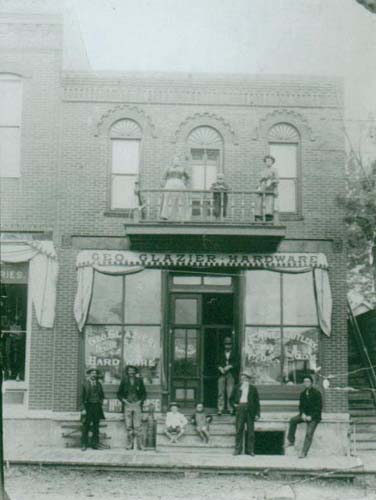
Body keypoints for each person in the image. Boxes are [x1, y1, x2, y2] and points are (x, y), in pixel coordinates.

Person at [287, 375, 322, 458]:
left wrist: (311, 416)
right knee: (293, 420)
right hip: (305, 415)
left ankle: (303, 453)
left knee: (309, 434)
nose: (306, 383)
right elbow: (301, 406)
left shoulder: (317, 393)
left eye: (308, 381)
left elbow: (319, 408)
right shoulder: (303, 394)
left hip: (314, 417)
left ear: (311, 382)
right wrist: (302, 414)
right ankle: (291, 440)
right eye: (305, 381)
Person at [230, 371, 260, 456]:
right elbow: (231, 399)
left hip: (250, 410)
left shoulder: (253, 389)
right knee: (239, 429)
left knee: (251, 431)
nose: (244, 379)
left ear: (249, 379)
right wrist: (235, 406)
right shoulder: (237, 387)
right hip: (240, 409)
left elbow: (257, 402)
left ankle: (250, 450)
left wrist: (257, 414)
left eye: (246, 378)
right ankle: (237, 449)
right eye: (242, 378)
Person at [117, 365, 147, 450]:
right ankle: (130, 444)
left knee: (138, 426)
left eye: (133, 371)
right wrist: (124, 401)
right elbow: (119, 393)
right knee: (128, 426)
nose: (131, 372)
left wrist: (140, 401)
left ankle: (140, 445)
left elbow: (144, 393)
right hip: (127, 405)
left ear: (135, 372)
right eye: (129, 371)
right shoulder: (124, 380)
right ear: (127, 371)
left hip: (137, 405)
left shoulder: (139, 380)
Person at [160, 153, 190, 221]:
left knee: (180, 200)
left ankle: (181, 216)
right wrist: (163, 185)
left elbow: (188, 177)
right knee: (168, 200)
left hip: (180, 185)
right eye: (175, 160)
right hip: (170, 184)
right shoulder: (168, 168)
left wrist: (185, 184)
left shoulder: (182, 168)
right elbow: (163, 177)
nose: (176, 161)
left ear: (179, 161)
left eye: (178, 160)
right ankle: (166, 215)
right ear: (172, 161)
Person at [80, 368, 105, 451]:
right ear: (89, 374)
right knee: (85, 426)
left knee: (96, 427)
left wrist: (100, 402)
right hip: (88, 407)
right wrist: (83, 409)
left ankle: (95, 444)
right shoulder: (84, 384)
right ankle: (84, 444)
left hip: (97, 407)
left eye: (95, 373)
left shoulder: (99, 384)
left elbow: (102, 395)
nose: (94, 375)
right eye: (92, 373)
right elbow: (81, 398)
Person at [217, 336, 238, 416]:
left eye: (229, 345)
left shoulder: (235, 353)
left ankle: (230, 409)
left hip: (231, 374)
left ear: (231, 345)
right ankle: (220, 409)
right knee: (220, 392)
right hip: (221, 374)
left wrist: (230, 366)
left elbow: (237, 363)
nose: (227, 346)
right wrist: (220, 368)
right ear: (224, 345)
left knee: (230, 392)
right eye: (226, 345)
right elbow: (216, 363)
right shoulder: (220, 352)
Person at [254, 154, 279, 222]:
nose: (268, 162)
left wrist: (271, 181)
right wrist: (259, 183)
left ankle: (268, 215)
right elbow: (259, 180)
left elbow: (277, 180)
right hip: (263, 186)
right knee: (258, 198)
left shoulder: (274, 170)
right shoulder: (263, 171)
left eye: (270, 161)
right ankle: (258, 214)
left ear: (272, 162)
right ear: (265, 162)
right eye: (267, 161)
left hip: (270, 187)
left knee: (269, 199)